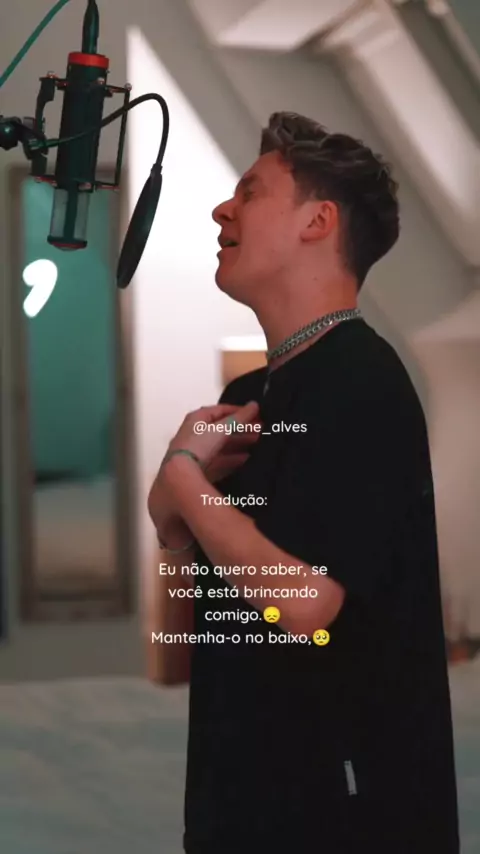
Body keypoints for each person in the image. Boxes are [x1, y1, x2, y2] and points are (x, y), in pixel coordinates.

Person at [148, 112, 459, 853]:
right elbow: (182, 539)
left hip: (345, 818)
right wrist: (178, 493)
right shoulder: (253, 392)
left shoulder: (362, 382)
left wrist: (185, 477)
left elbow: (303, 604)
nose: (222, 210)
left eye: (249, 193)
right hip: (239, 799)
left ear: (318, 222)